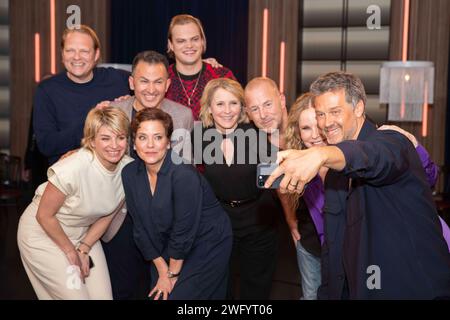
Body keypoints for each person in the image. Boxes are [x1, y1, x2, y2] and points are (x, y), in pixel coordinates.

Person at [266, 71, 450, 299]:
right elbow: (334, 246)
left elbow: (370, 156)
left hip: (412, 285)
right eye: (321, 114)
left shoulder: (391, 140)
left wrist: (320, 154)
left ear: (359, 108)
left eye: (335, 112)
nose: (326, 123)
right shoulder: (335, 173)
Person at [17, 107, 132, 299]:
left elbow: (108, 216)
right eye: (105, 138)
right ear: (92, 141)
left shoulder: (128, 169)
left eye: (120, 137)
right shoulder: (73, 167)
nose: (114, 145)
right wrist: (71, 251)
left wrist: (84, 248)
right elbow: (44, 215)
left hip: (84, 235)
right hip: (44, 234)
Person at [121, 108, 232, 300]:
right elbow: (140, 228)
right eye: (142, 137)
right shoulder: (129, 173)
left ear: (168, 142)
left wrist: (171, 275)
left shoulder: (183, 174)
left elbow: (184, 231)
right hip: (169, 245)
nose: (150, 145)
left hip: (206, 242)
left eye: (158, 137)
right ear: (134, 142)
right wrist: (163, 270)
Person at [193, 78, 281, 299]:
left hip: (259, 222)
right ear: (209, 108)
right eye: (220, 104)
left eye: (233, 103)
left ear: (242, 107)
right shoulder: (198, 136)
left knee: (257, 290)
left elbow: (278, 177)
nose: (227, 111)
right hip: (220, 225)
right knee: (223, 289)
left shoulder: (257, 132)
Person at [33, 25, 130, 165]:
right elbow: (47, 145)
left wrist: (133, 103)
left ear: (96, 55)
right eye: (70, 50)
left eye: (84, 51)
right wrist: (91, 121)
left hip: (117, 175)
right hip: (69, 178)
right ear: (62, 54)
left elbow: (150, 88)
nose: (77, 57)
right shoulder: (47, 90)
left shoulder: (118, 79)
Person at [107, 50, 193, 159]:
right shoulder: (113, 112)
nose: (151, 90)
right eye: (144, 81)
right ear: (131, 83)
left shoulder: (183, 116)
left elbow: (186, 166)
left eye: (158, 82)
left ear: (167, 85)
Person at [166, 14, 236, 120]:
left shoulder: (222, 76)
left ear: (202, 41)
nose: (189, 45)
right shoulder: (162, 79)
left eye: (194, 39)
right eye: (181, 41)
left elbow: (240, 114)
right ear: (171, 45)